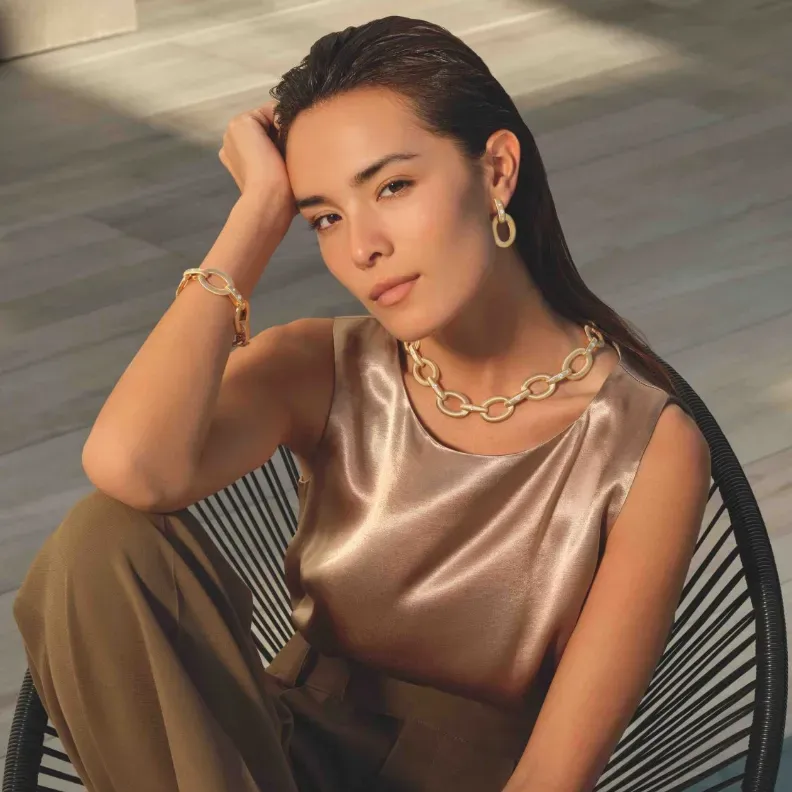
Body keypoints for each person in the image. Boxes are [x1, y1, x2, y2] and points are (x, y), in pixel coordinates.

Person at [13, 15, 711, 792]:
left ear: (497, 171)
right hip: (262, 758)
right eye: (324, 218)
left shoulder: (649, 446)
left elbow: (554, 773)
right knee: (100, 540)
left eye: (393, 186)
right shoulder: (323, 365)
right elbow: (128, 467)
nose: (361, 247)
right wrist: (255, 218)